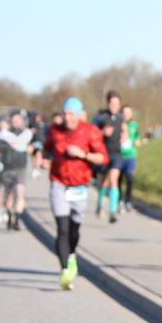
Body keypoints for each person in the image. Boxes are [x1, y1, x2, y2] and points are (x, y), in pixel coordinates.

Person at [44, 97, 108, 290]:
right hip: (59, 183)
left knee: (74, 229)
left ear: (79, 114)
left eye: (71, 114)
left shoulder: (90, 131)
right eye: (64, 113)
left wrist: (83, 154)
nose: (66, 117)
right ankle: (65, 271)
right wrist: (43, 158)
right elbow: (46, 148)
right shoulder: (55, 131)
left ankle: (71, 255)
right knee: (62, 229)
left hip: (79, 186)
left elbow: (103, 158)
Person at [0, 109, 34, 231]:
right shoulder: (4, 134)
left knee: (20, 193)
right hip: (7, 169)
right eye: (14, 119)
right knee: (9, 197)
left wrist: (32, 148)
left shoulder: (26, 134)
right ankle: (9, 214)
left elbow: (36, 146)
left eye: (18, 119)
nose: (16, 121)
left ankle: (17, 220)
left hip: (20, 168)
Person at [92, 91, 126, 223]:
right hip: (102, 154)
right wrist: (102, 132)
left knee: (113, 180)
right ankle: (100, 204)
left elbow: (124, 129)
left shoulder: (120, 117)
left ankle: (112, 211)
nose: (114, 106)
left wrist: (124, 135)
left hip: (116, 154)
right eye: (112, 103)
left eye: (117, 103)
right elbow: (91, 133)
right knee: (102, 183)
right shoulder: (100, 117)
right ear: (108, 103)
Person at [116, 104, 141, 213]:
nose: (126, 115)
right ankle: (120, 200)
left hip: (130, 156)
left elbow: (137, 138)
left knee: (130, 179)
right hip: (119, 155)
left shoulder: (135, 125)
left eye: (128, 113)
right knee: (119, 179)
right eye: (124, 113)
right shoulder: (117, 124)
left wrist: (137, 141)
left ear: (131, 114)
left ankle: (128, 201)